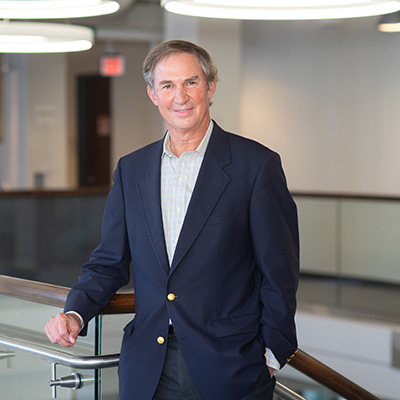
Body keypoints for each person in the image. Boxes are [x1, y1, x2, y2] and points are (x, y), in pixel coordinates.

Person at [44, 39, 299, 400]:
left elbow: (280, 270)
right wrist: (76, 314)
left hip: (231, 366)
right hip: (149, 365)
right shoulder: (132, 169)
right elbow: (109, 262)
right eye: (167, 85)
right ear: (153, 94)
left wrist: (272, 353)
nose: (180, 96)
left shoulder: (256, 166)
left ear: (210, 87)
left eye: (190, 82)